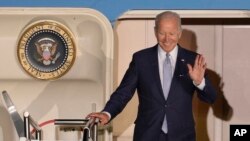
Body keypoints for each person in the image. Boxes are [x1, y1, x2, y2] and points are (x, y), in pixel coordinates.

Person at [87, 11, 216, 141]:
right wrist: (107, 113)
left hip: (182, 135)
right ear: (155, 32)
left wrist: (200, 82)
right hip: (147, 134)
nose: (166, 39)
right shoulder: (141, 59)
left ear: (179, 33)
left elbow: (211, 98)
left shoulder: (193, 60)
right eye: (162, 33)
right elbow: (124, 92)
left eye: (171, 33)